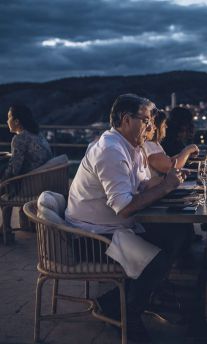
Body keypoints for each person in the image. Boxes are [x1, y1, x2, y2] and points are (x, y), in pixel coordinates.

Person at [65, 94, 186, 341]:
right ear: (125, 119)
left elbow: (143, 184)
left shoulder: (129, 147)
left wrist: (169, 183)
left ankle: (118, 300)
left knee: (177, 235)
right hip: (90, 238)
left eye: (152, 123)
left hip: (110, 227)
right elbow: (124, 207)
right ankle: (128, 317)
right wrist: (165, 188)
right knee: (157, 260)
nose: (151, 128)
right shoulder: (110, 150)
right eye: (146, 122)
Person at [1, 104, 52, 180]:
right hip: (43, 177)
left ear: (16, 121)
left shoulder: (19, 138)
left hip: (30, 182)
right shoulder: (37, 134)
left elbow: (14, 170)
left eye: (9, 117)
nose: (7, 121)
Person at [143, 110, 199, 177]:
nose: (166, 126)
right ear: (157, 127)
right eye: (164, 124)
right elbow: (171, 167)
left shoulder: (154, 144)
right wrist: (188, 149)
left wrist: (186, 154)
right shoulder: (149, 145)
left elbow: (168, 160)